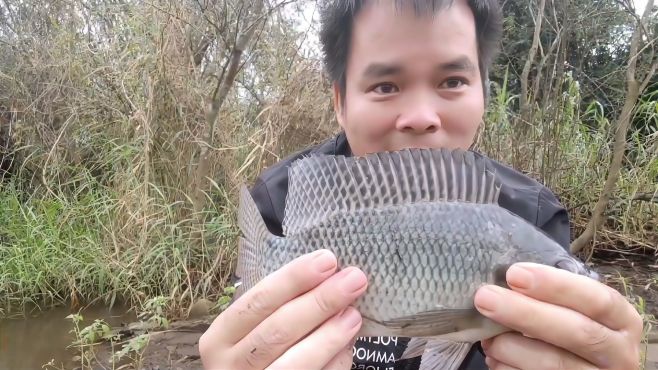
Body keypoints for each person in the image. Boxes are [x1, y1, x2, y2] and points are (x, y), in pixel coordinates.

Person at [198, 0, 644, 368]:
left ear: (484, 95)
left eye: (452, 81)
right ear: (340, 101)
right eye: (386, 85)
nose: (421, 117)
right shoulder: (279, 201)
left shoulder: (532, 215)